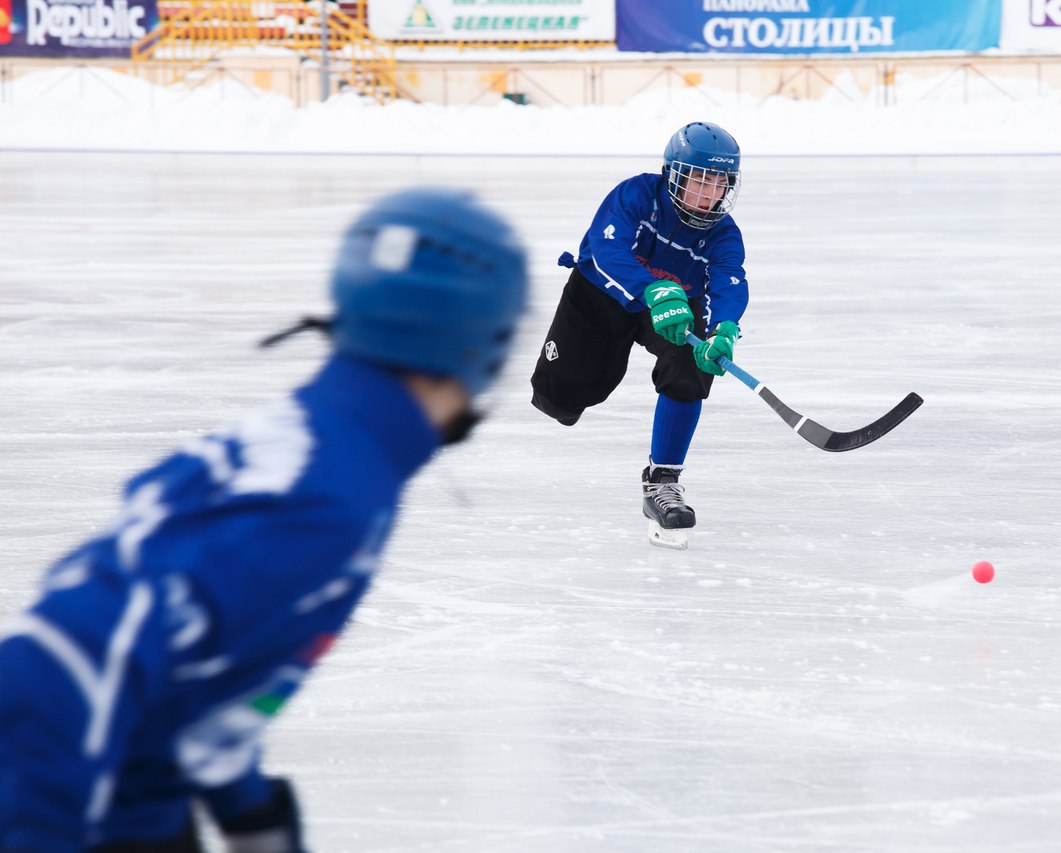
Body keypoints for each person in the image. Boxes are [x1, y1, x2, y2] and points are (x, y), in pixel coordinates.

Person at [0, 188, 528, 852]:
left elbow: (196, 665)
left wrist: (244, 805)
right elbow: (55, 657)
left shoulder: (325, 439)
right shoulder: (329, 495)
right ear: (477, 341)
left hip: (143, 804)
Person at [529, 121, 748, 547]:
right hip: (599, 296)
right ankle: (566, 397)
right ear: (673, 176)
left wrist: (725, 329)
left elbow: (729, 280)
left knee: (690, 364)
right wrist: (653, 287)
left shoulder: (723, 234)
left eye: (718, 184)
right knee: (561, 399)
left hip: (672, 313)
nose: (708, 195)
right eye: (698, 181)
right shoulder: (636, 194)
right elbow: (607, 248)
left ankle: (662, 481)